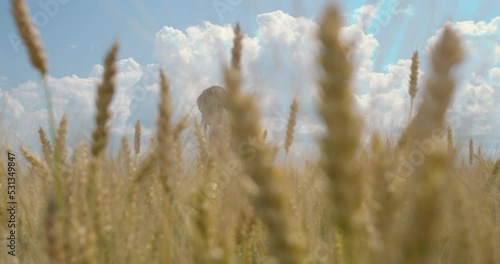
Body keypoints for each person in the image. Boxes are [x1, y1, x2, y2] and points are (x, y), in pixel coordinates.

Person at [197, 85, 230, 156]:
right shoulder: (232, 130)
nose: (202, 115)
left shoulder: (218, 131)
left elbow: (214, 165)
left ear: (212, 108)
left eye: (203, 109)